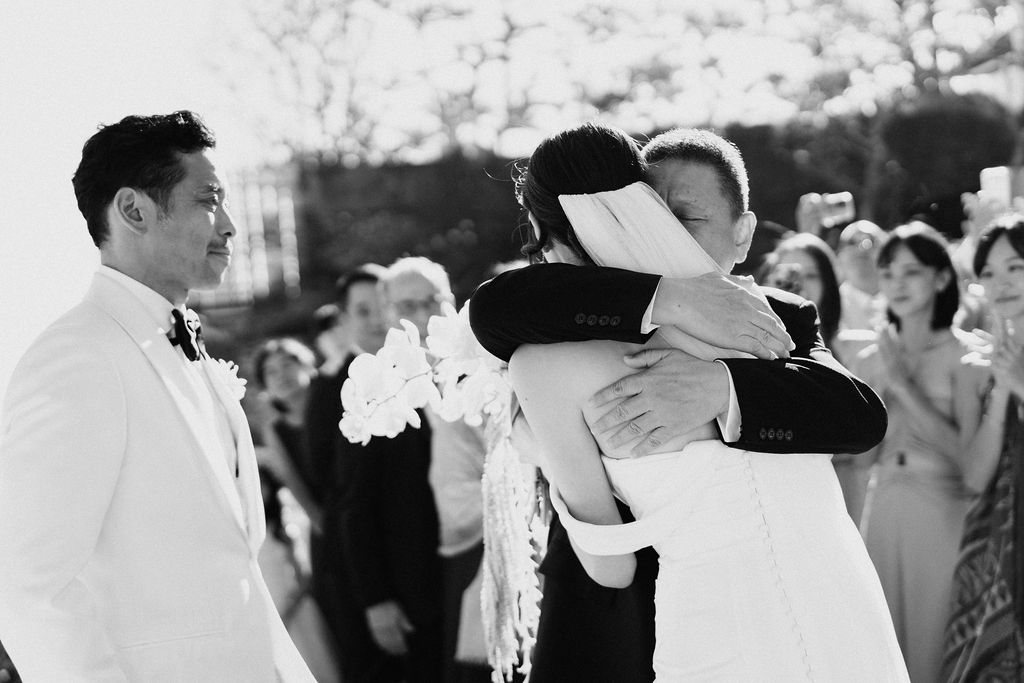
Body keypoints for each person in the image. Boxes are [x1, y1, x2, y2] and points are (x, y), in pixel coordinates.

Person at [474, 123, 904, 682]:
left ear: (743, 235)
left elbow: (858, 416)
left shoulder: (773, 316)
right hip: (655, 620)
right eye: (654, 212)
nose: (662, 232)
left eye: (687, 217)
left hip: (802, 599)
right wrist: (667, 298)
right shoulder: (559, 317)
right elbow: (495, 308)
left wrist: (720, 388)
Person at [0, 111, 314, 681]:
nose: (230, 227)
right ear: (134, 210)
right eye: (209, 201)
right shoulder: (79, 357)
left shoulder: (181, 346)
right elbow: (27, 587)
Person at [853, 222, 979, 683]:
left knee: (933, 649)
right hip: (882, 508)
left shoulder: (967, 356)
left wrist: (904, 387)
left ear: (941, 277)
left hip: (942, 512)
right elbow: (861, 460)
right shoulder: (870, 358)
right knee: (879, 652)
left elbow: (971, 462)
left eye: (912, 272)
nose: (897, 284)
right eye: (888, 273)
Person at [335, 257, 444, 682]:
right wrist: (376, 600)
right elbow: (354, 504)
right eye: (407, 306)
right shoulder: (374, 388)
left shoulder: (482, 368)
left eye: (432, 301)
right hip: (417, 582)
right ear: (388, 313)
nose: (422, 315)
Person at [943, 215, 1024, 682]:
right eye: (989, 272)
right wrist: (1003, 390)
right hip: (1003, 554)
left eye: (1016, 267)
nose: (1001, 283)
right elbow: (975, 477)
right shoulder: (984, 363)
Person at [305, 264, 389, 673]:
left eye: (383, 307)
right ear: (345, 319)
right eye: (363, 311)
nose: (377, 320)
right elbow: (337, 493)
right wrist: (375, 597)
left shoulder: (416, 369)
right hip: (368, 578)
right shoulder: (331, 388)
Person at [762, 232, 842, 351]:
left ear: (827, 280)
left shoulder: (849, 349)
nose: (798, 283)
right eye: (789, 274)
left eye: (810, 275)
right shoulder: (751, 342)